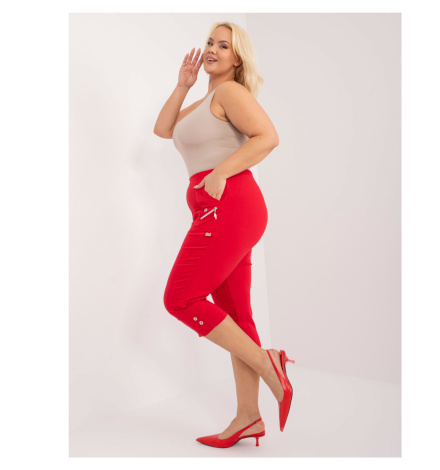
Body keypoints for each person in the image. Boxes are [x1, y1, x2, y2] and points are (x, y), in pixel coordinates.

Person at [154, 22, 295, 448]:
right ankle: (248, 417)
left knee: (180, 298)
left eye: (224, 45)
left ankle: (269, 365)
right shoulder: (205, 100)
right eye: (210, 42)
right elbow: (163, 129)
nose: (213, 49)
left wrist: (220, 172)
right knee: (236, 314)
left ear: (238, 59)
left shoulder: (232, 92)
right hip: (220, 209)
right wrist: (183, 85)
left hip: (229, 204)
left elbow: (268, 137)